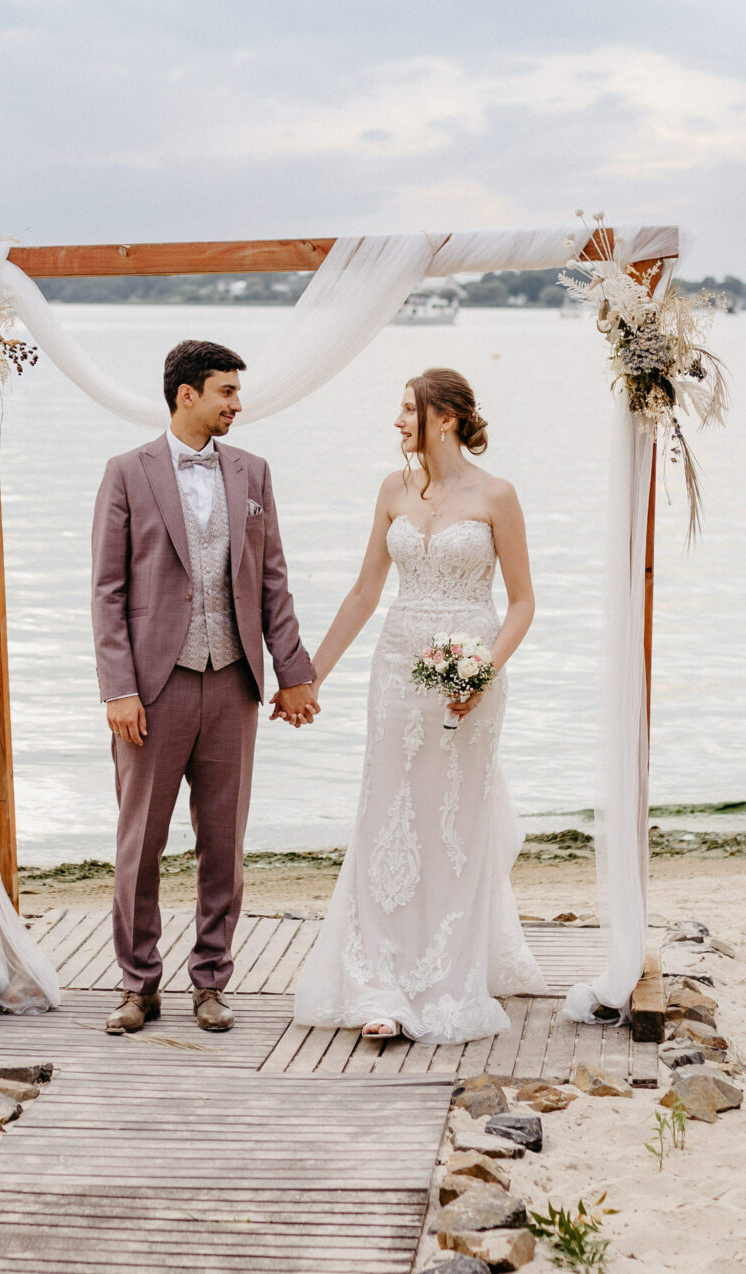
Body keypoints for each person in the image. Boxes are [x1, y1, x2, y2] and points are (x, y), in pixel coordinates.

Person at [289, 367, 551, 1043]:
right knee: (388, 816)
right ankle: (379, 977)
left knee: (453, 822)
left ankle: (443, 975)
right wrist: (308, 676)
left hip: (470, 672)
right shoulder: (392, 489)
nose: (399, 421)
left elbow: (522, 601)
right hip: (396, 671)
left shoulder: (497, 495)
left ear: (447, 417)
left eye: (409, 410)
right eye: (400, 409)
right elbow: (363, 593)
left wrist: (483, 674)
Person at [91, 339, 322, 1035]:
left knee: (222, 844)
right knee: (141, 842)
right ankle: (137, 983)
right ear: (186, 393)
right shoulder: (127, 473)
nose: (237, 404)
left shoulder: (253, 474)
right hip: (153, 690)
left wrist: (295, 672)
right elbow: (107, 592)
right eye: (226, 391)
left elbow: (271, 580)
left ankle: (211, 981)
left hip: (232, 683)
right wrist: (117, 689)